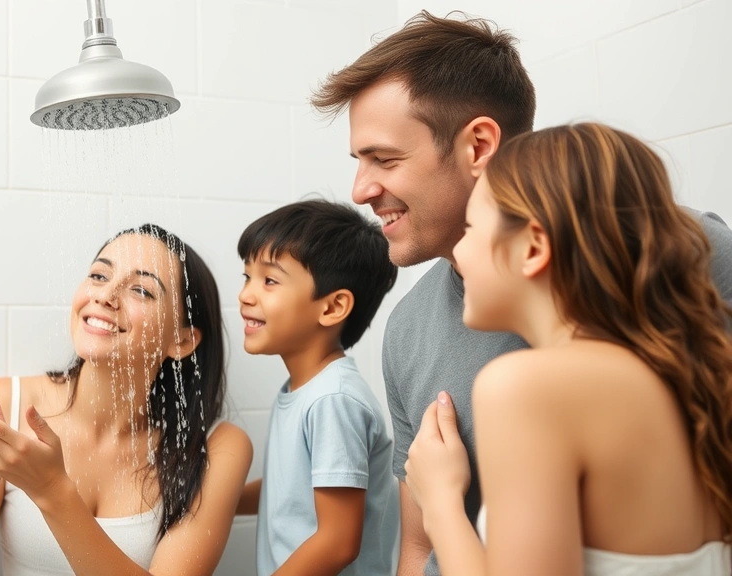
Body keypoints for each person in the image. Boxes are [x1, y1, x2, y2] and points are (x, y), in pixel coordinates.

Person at [310, 10, 732, 576]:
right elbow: (418, 550)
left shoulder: (686, 250)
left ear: (480, 144)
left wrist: (442, 504)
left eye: (384, 158)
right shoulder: (408, 327)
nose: (361, 190)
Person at [403, 122, 732, 574]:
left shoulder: (525, 386)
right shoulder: (681, 378)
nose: (458, 255)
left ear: (534, 247)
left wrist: (440, 505)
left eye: (471, 228)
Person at [0, 224, 253, 576]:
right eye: (99, 275)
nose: (106, 295)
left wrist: (52, 490)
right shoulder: (4, 405)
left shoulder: (216, 448)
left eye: (141, 290)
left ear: (182, 341)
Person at [233, 199, 399, 575]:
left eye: (269, 280)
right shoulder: (305, 389)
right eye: (247, 277)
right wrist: (217, 500)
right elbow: (291, 495)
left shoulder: (333, 400)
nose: (246, 294)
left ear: (332, 307)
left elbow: (338, 541)